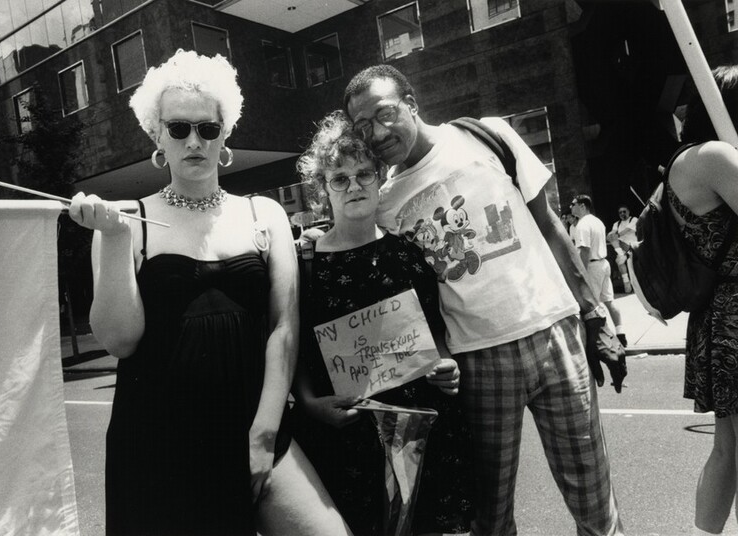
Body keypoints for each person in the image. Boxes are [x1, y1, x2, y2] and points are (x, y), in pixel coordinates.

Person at [68, 50, 351, 536]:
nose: (194, 141)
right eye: (178, 128)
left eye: (207, 128)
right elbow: (119, 341)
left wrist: (264, 434)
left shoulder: (264, 214)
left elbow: (284, 328)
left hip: (253, 422)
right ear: (157, 135)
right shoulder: (127, 220)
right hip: (158, 440)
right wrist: (113, 237)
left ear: (225, 134)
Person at [344, 64, 625, 536]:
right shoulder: (385, 203)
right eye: (362, 126)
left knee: (596, 504)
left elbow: (549, 226)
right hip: (477, 363)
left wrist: (594, 313)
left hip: (555, 333)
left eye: (385, 114)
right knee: (489, 519)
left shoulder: (486, 136)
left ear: (411, 103)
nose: (377, 132)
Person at [291, 110, 474, 535]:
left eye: (364, 174)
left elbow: (435, 333)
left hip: (421, 427)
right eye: (339, 178)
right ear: (323, 188)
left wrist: (446, 366)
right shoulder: (305, 264)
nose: (354, 186)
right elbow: (293, 345)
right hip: (348, 434)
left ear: (380, 178)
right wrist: (310, 403)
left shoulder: (409, 254)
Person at [666, 65, 738, 536]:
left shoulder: (687, 158)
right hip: (734, 313)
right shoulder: (715, 156)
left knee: (728, 449)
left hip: (719, 314)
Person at [571, 194, 628, 347]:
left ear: (582, 206)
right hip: (603, 264)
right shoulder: (598, 222)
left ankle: (603, 340)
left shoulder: (582, 224)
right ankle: (621, 334)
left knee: (593, 306)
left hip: (592, 267)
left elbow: (584, 250)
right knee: (609, 301)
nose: (571, 207)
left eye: (573, 204)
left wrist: (581, 273)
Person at [607, 205, 638, 293]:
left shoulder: (633, 219)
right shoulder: (616, 224)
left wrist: (616, 235)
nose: (622, 214)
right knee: (619, 261)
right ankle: (626, 282)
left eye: (624, 211)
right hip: (622, 249)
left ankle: (621, 254)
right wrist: (610, 235)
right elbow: (613, 233)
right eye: (620, 212)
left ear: (628, 212)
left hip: (633, 246)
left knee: (619, 254)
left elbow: (627, 230)